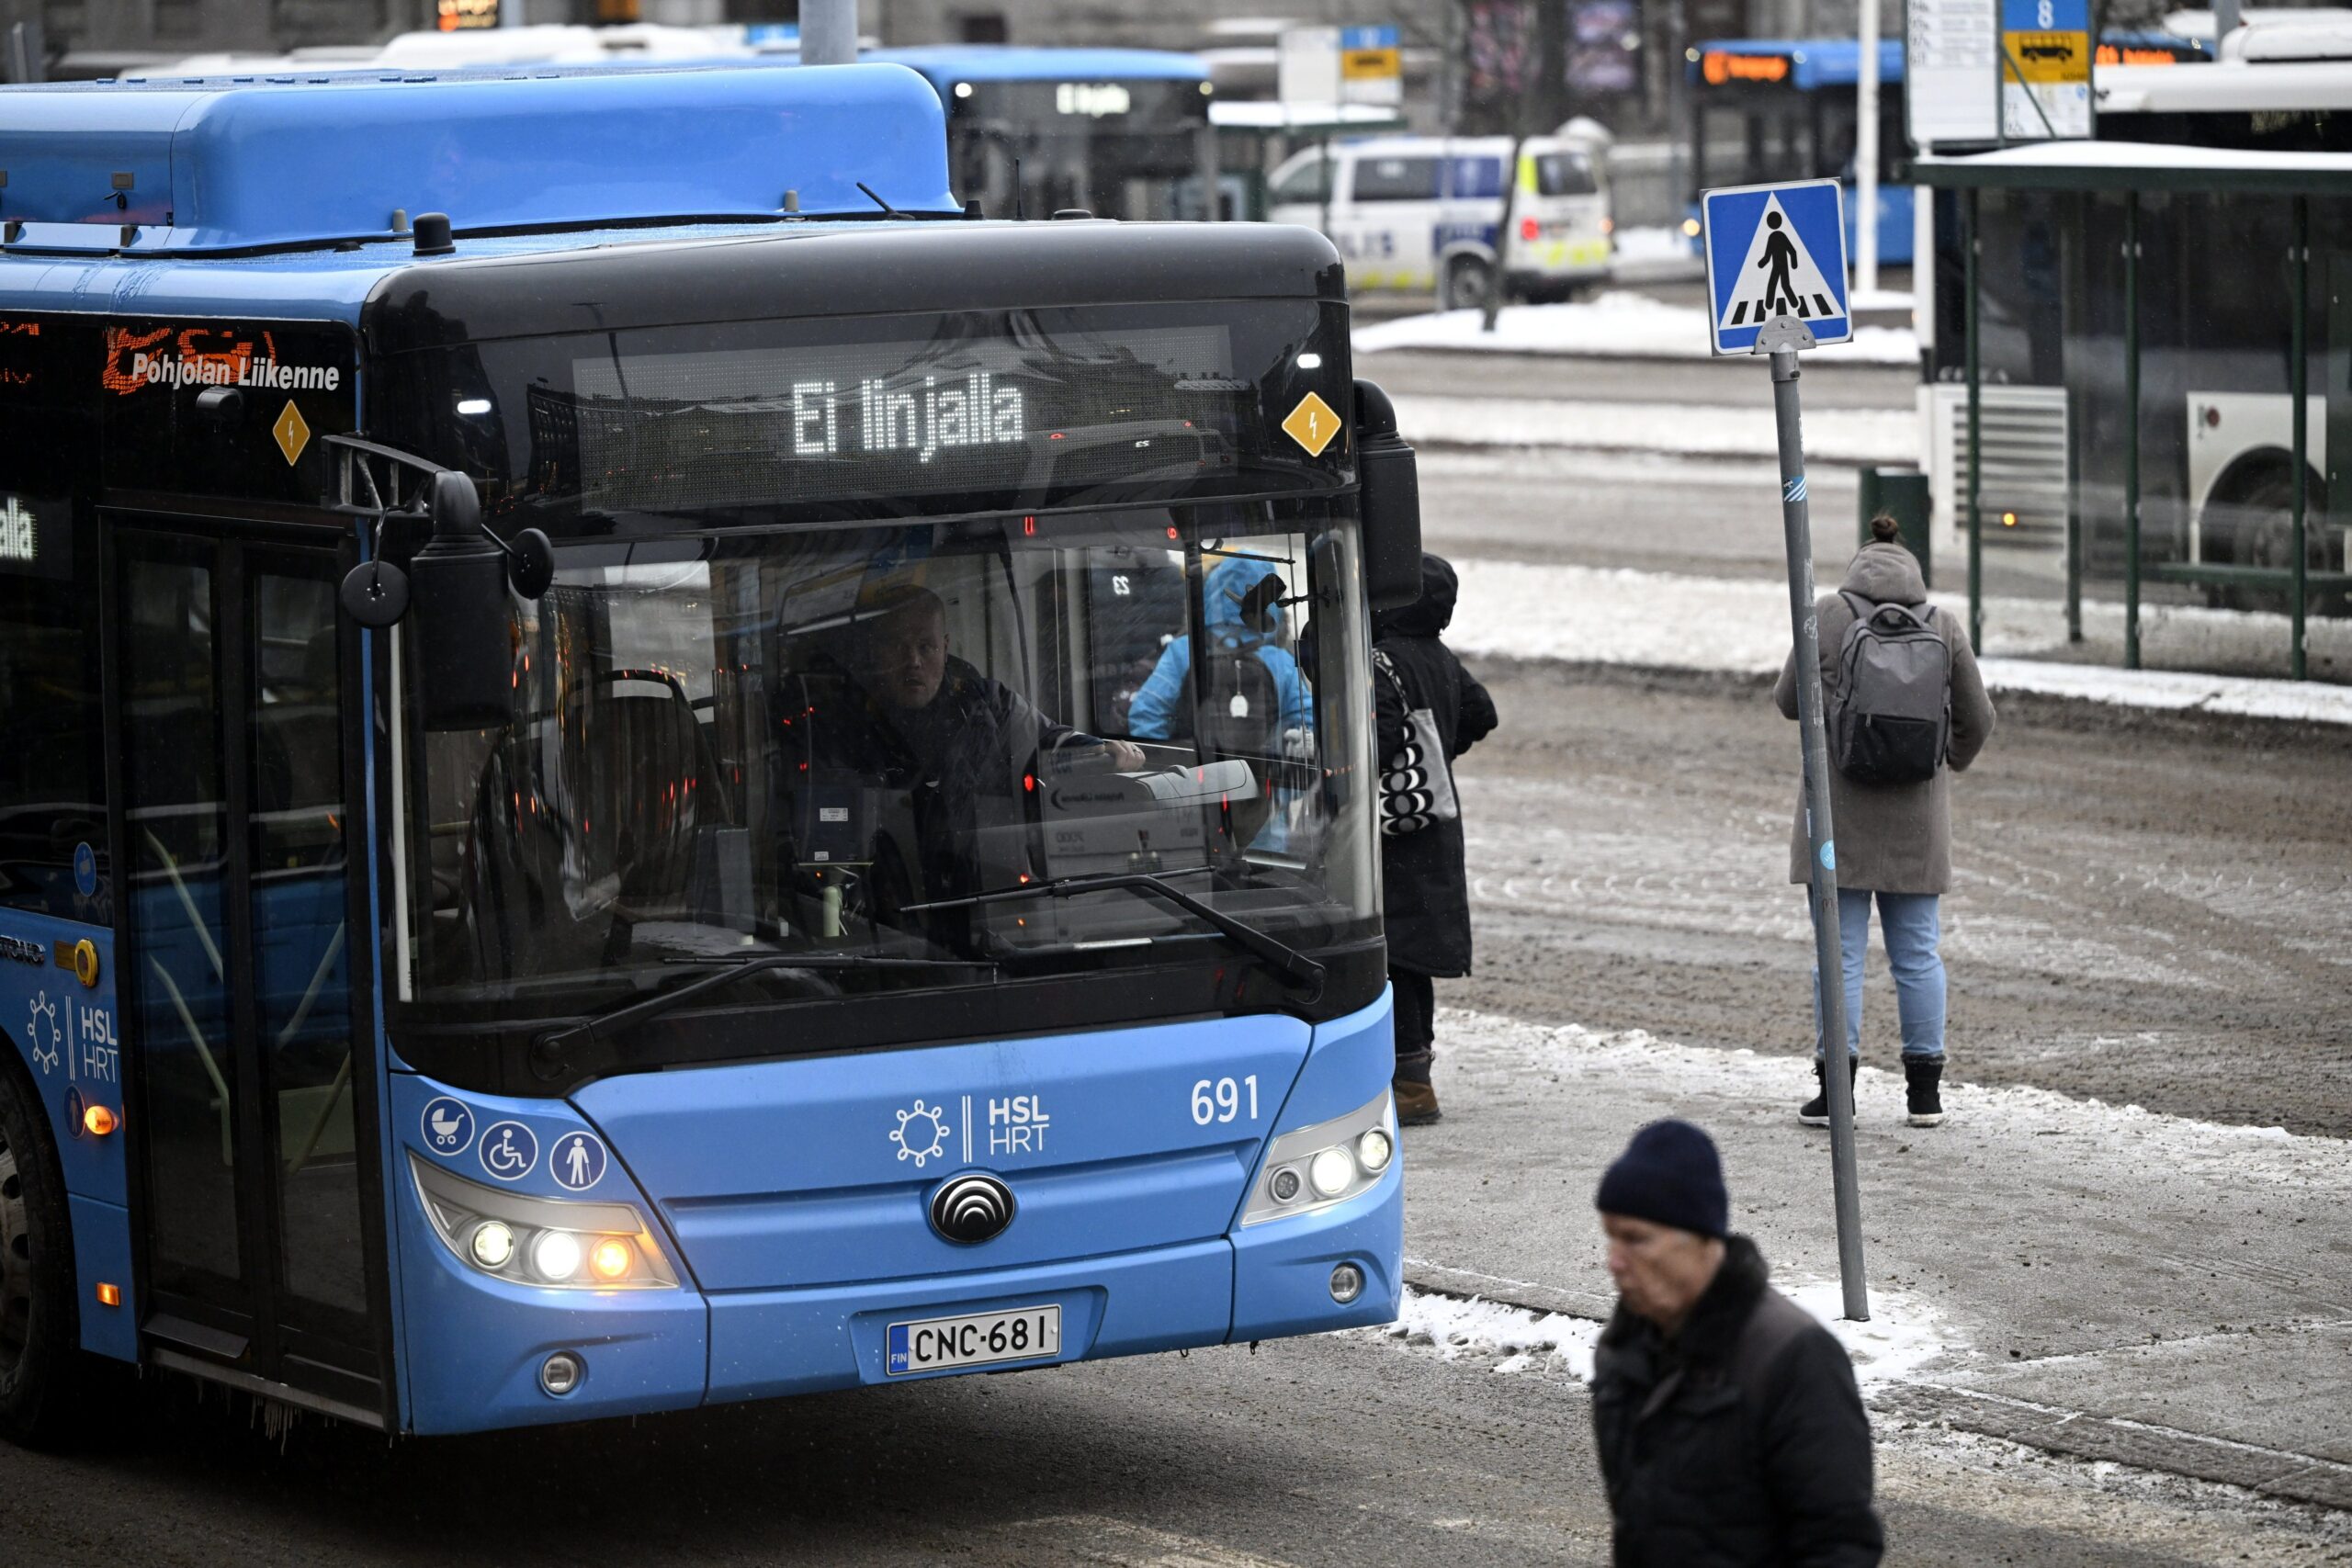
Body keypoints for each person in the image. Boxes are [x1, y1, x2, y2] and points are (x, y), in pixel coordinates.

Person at [1775, 515, 1996, 1129]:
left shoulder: (1826, 614)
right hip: (1917, 823)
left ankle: (1835, 1091)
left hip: (1836, 820)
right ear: (1912, 570)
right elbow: (1980, 719)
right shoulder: (1942, 625)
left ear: (1858, 564)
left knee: (1838, 954)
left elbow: (1788, 700)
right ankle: (1924, 1093)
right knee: (1918, 955)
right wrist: (1944, 761)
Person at [1590, 1120, 1883, 1568]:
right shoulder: (1624, 1347)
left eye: (1635, 1239)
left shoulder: (1794, 1357)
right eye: (1610, 1235)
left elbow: (1839, 1544)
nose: (1614, 1261)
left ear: (1703, 1239)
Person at [790, 583, 1141, 915]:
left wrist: (1102, 752)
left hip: (981, 897)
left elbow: (1046, 739)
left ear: (945, 648)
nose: (912, 660)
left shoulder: (988, 707)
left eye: (925, 646)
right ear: (874, 651)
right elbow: (822, 847)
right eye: (897, 646)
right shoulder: (841, 727)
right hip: (883, 909)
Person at [1373, 552, 1496, 1126]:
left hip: (1390, 831)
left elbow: (1381, 736)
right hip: (1436, 825)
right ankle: (1416, 1077)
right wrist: (1441, 753)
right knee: (1413, 962)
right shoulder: (1439, 657)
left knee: (1388, 956)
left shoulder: (1379, 659)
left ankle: (1405, 1084)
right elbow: (1482, 714)